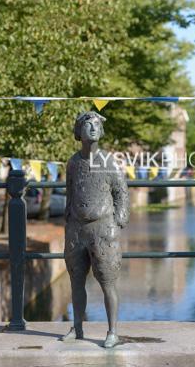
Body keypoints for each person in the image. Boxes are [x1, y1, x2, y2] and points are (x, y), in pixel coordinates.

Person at [60, 111, 129, 348]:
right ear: (78, 132)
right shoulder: (73, 163)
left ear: (101, 132)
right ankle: (77, 327)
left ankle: (112, 331)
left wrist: (118, 221)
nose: (92, 128)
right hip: (76, 229)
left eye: (96, 125)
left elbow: (121, 192)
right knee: (76, 280)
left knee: (107, 281)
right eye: (87, 125)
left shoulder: (110, 162)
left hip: (103, 229)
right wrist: (68, 217)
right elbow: (70, 191)